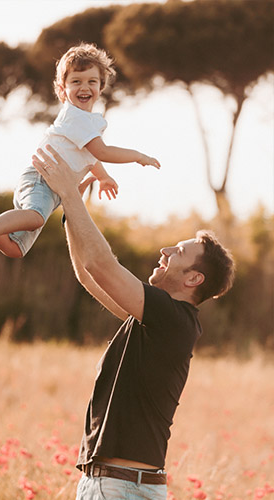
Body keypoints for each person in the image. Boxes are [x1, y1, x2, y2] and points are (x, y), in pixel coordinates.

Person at [31, 145, 235, 500]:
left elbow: (102, 266)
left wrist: (68, 193)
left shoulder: (172, 318)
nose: (165, 252)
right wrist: (70, 214)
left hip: (118, 487)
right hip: (122, 485)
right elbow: (88, 275)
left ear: (193, 280)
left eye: (179, 253)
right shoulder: (157, 321)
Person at [0, 43, 161, 263]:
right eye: (76, 81)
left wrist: (103, 177)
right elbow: (102, 151)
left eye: (92, 81)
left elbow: (89, 157)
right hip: (41, 182)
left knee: (16, 249)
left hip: (50, 191)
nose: (84, 87)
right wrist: (138, 156)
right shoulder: (77, 117)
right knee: (35, 218)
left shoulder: (87, 122)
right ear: (63, 89)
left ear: (101, 87)